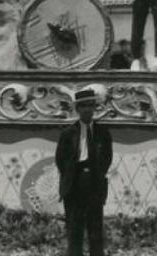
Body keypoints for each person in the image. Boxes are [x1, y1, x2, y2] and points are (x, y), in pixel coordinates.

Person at [55, 89, 113, 256]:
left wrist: (97, 173)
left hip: (94, 183)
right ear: (77, 109)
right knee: (75, 229)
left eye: (90, 105)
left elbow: (107, 158)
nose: (87, 109)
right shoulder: (68, 134)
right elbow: (60, 159)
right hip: (74, 184)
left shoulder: (103, 133)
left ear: (94, 108)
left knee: (95, 229)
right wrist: (71, 176)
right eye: (83, 106)